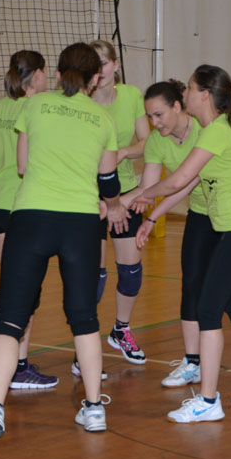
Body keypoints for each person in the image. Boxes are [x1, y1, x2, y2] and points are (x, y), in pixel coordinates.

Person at [0, 42, 127, 456]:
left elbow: (22, 166)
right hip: (80, 224)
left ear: (56, 73)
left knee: (10, 318)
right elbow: (108, 181)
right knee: (84, 319)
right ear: (95, 78)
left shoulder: (32, 106)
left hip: (31, 218)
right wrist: (113, 204)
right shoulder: (103, 118)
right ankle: (93, 409)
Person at [121, 65, 231, 423]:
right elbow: (187, 183)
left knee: (208, 311)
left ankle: (208, 401)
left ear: (204, 95)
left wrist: (141, 197)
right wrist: (150, 210)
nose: (186, 92)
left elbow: (177, 179)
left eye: (190, 88)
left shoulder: (216, 132)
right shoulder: (214, 131)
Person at [0, 49, 58, 390]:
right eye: (45, 72)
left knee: (9, 280)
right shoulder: (35, 108)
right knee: (26, 288)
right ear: (37, 74)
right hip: (18, 205)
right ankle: (18, 367)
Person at [87, 39, 150, 369]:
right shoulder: (80, 100)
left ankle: (120, 330)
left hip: (124, 194)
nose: (99, 70)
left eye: (103, 62)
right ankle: (85, 344)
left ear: (116, 65)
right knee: (93, 275)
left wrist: (124, 151)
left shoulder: (131, 95)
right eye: (93, 64)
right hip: (89, 196)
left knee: (131, 271)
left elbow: (148, 141)